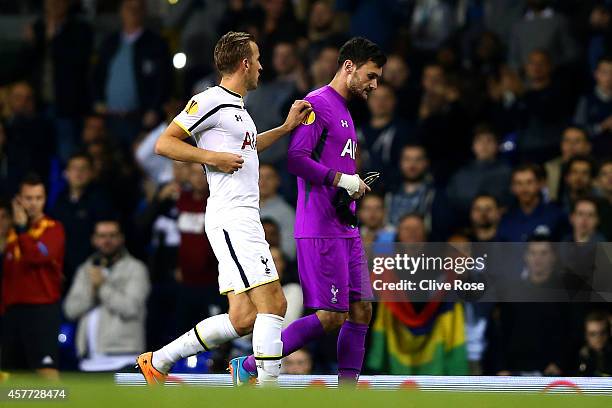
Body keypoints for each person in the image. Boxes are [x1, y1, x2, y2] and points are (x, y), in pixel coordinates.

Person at [136, 31, 312, 386]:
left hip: (239, 218)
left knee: (244, 316)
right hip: (234, 218)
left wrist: (285, 128)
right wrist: (210, 157)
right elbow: (163, 143)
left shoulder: (238, 109)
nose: (262, 66)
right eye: (258, 59)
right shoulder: (210, 100)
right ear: (245, 64)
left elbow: (247, 150)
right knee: (275, 305)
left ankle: (158, 360)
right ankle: (267, 392)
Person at [233, 37, 386, 386]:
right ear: (349, 67)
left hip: (345, 225)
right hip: (320, 227)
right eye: (371, 75)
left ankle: (348, 391)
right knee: (332, 316)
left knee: (362, 310)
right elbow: (295, 159)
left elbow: (336, 170)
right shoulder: (316, 104)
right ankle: (250, 366)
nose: (374, 85)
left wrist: (351, 184)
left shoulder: (345, 110)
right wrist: (340, 179)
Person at [63, 220, 150, 372]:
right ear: (94, 239)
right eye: (102, 236)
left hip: (123, 358)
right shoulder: (86, 269)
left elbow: (131, 308)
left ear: (121, 238)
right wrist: (93, 290)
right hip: (88, 361)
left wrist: (102, 287)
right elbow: (70, 310)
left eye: (112, 235)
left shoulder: (136, 269)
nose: (107, 240)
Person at [1, 174, 65, 379]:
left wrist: (20, 229)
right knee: (10, 374)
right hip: (11, 312)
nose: (34, 204)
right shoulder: (8, 233)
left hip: (41, 311)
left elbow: (35, 257)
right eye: (28, 198)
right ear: (18, 200)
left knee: (46, 371)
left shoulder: (53, 229)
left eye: (39, 198)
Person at [49, 153, 114, 290]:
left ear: (91, 173)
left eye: (83, 168)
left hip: (92, 270)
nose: (78, 173)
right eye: (74, 168)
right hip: (64, 271)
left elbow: (106, 239)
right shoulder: (59, 202)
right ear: (66, 173)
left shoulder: (101, 200)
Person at [497, 164, 567, 241]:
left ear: (540, 184)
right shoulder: (505, 219)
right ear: (513, 188)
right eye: (519, 183)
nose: (524, 189)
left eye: (529, 182)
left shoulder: (555, 216)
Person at [544, 126, 591, 202]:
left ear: (588, 146)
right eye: (567, 141)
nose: (571, 145)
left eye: (577, 141)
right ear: (561, 145)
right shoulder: (548, 168)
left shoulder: (599, 169)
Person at [259, 164, 296, 260]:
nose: (263, 182)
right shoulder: (244, 208)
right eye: (259, 177)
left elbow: (289, 251)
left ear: (277, 181)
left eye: (268, 178)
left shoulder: (286, 212)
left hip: (273, 268)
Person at [578, 310, 612, 376]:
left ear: (609, 333)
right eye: (592, 334)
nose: (598, 338)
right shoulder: (577, 358)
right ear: (586, 335)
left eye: (602, 332)